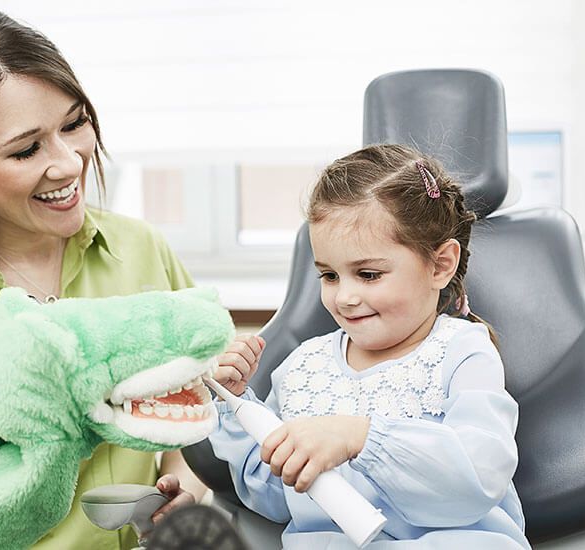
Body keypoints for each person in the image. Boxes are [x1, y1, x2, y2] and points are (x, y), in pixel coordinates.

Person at [0, 8, 264, 549]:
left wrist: (184, 491)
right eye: (26, 149)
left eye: (73, 124)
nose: (70, 163)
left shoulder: (140, 249)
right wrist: (53, 428)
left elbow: (189, 424)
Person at [209, 144, 530, 549]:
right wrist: (237, 405)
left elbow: (476, 478)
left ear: (440, 265)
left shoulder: (462, 352)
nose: (344, 298)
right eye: (329, 276)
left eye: (368, 274)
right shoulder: (303, 367)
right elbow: (274, 498)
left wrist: (361, 437)